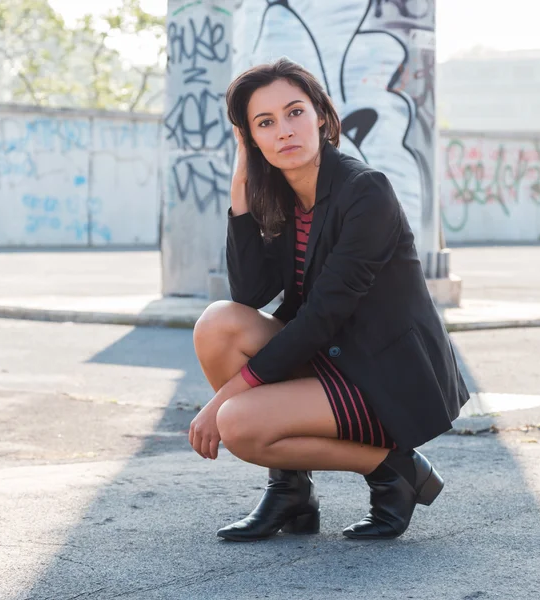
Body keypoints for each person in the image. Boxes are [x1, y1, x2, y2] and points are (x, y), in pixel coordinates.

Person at [190, 57, 470, 542]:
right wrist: (241, 187)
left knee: (236, 423)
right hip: (331, 358)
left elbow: (323, 316)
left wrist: (223, 398)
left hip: (383, 372)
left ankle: (392, 470)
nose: (284, 130)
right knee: (219, 324)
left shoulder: (366, 191)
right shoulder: (279, 193)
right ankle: (291, 491)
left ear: (321, 114)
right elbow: (249, 294)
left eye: (295, 112)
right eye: (265, 123)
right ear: (250, 138)